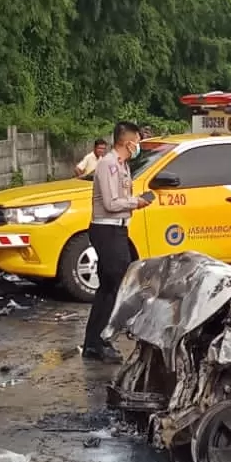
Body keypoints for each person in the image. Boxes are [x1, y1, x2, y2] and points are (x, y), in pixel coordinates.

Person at [82, 121, 156, 363]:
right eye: (137, 140)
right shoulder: (108, 165)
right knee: (115, 287)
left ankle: (94, 342)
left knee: (108, 289)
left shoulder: (123, 166)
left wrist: (134, 202)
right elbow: (112, 204)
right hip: (107, 230)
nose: (138, 145)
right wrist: (137, 202)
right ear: (127, 142)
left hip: (118, 230)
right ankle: (101, 341)